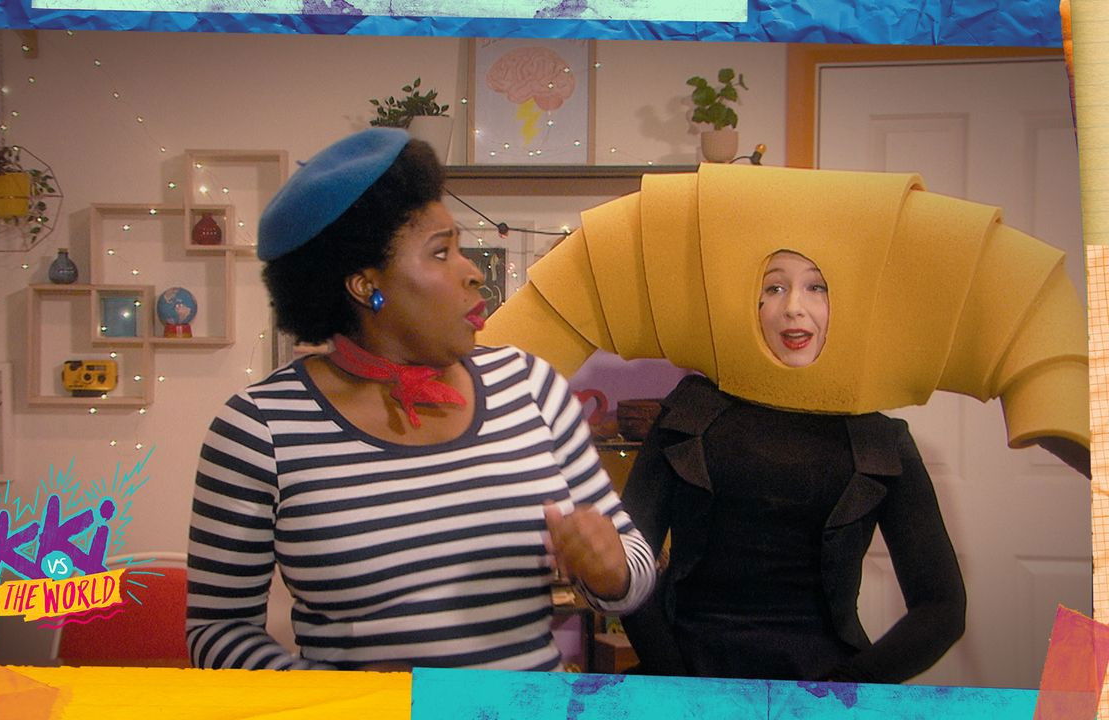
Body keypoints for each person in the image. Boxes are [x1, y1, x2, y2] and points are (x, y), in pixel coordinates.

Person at [185, 128, 655, 671]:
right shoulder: (259, 429)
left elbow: (634, 570)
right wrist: (343, 701)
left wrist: (610, 569)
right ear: (366, 286)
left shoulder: (531, 387)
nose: (472, 271)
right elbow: (216, 630)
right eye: (441, 252)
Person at [619, 249, 967, 684]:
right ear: (749, 304)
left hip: (826, 688)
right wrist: (677, 683)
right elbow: (626, 568)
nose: (794, 307)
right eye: (774, 287)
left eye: (817, 286)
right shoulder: (687, 415)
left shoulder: (880, 439)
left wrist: (841, 694)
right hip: (687, 684)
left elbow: (942, 608)